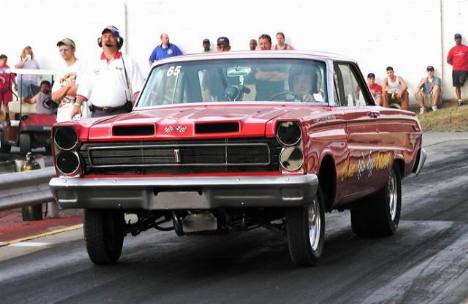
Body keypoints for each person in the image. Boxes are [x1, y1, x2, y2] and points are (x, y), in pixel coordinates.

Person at [72, 25, 144, 118]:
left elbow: (138, 88)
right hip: (97, 114)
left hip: (122, 114)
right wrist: (77, 105)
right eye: (105, 36)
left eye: (111, 36)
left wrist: (136, 109)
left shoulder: (129, 61)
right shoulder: (92, 63)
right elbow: (85, 86)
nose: (107, 39)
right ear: (100, 41)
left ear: (118, 40)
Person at [51, 38, 86, 122]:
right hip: (62, 116)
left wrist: (61, 91)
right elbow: (54, 96)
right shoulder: (60, 70)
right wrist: (68, 86)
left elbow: (80, 90)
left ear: (73, 49)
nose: (63, 52)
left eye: (66, 49)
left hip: (79, 116)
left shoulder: (82, 66)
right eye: (60, 50)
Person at [447, 33, 468, 106]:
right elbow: (448, 60)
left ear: (461, 39)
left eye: (459, 38)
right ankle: (459, 100)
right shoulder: (452, 50)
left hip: (465, 69)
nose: (458, 39)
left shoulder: (466, 48)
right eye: (456, 38)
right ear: (454, 40)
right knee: (457, 85)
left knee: (462, 80)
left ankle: (462, 80)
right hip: (456, 70)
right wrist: (455, 64)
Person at [0, 54, 17, 121]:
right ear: (0, 59)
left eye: (6, 60)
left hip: (7, 89)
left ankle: (7, 119)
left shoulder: (8, 68)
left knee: (6, 104)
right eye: (4, 60)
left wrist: (15, 85)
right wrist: (1, 77)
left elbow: (12, 77)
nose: (5, 61)